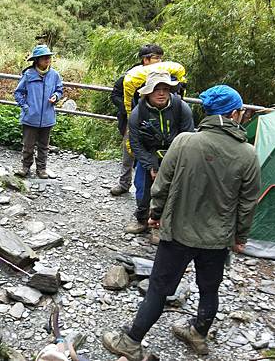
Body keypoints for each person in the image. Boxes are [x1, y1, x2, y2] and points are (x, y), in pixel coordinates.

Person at [102, 85, 261, 361]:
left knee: (159, 289)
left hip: (178, 232)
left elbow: (161, 184)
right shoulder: (248, 154)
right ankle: (198, 334)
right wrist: (240, 237)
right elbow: (247, 203)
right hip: (217, 238)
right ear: (235, 113)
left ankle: (131, 341)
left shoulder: (185, 142)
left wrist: (155, 214)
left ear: (207, 112)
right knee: (210, 288)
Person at [125, 71, 194, 234]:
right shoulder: (138, 113)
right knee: (143, 190)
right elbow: (135, 143)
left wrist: (174, 162)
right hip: (149, 154)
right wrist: (151, 165)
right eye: (156, 89)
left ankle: (162, 226)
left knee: (172, 191)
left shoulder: (181, 108)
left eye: (165, 88)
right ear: (148, 91)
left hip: (175, 154)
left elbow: (188, 136)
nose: (161, 93)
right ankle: (142, 220)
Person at [110, 44, 164, 196]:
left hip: (155, 120)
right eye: (156, 58)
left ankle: (154, 188)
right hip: (132, 120)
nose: (160, 61)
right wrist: (132, 112)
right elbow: (115, 95)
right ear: (145, 60)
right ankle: (124, 183)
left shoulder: (162, 74)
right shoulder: (131, 75)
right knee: (129, 151)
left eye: (161, 58)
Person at [14, 44, 63, 179]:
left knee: (44, 146)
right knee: (28, 145)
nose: (47, 60)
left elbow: (59, 90)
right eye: (44, 58)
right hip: (30, 117)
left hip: (47, 117)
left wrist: (56, 96)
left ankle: (41, 169)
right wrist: (26, 107)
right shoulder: (29, 74)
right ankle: (25, 167)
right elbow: (18, 93)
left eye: (49, 57)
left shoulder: (54, 75)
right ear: (37, 60)